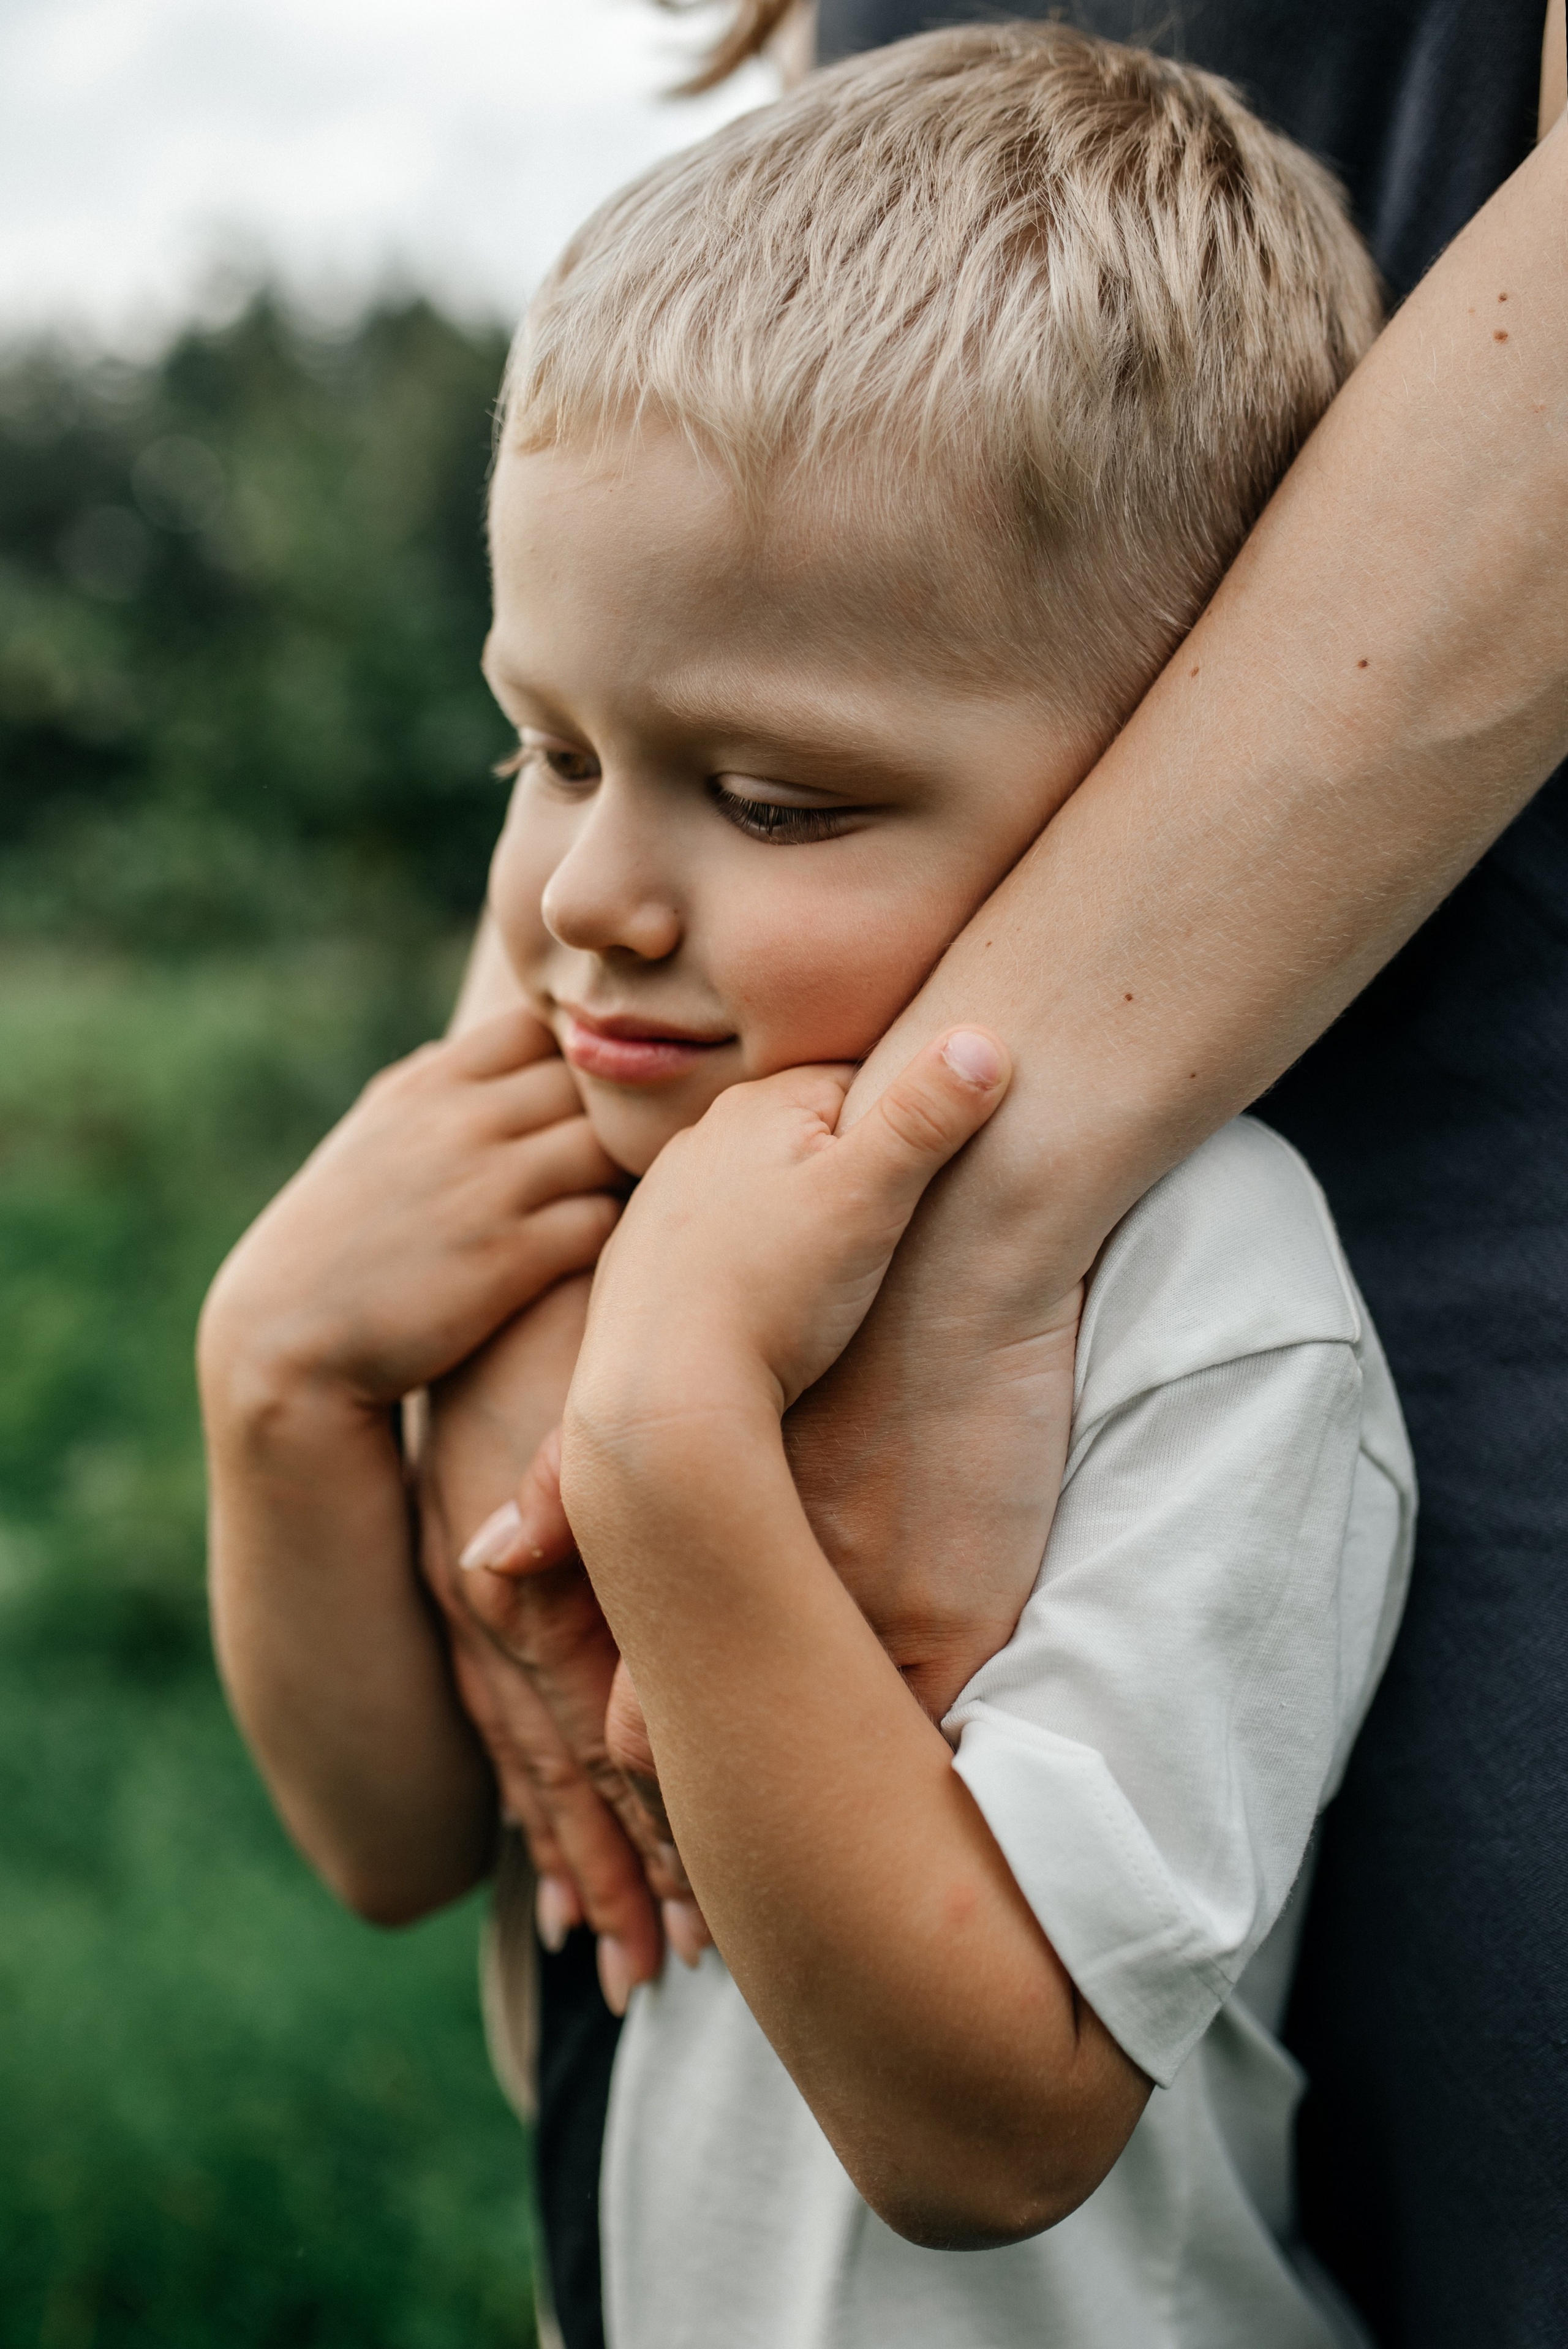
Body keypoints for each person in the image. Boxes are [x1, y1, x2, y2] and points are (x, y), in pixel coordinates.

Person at [201, 28, 1419, 2346]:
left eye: (772, 802)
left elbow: (984, 2137)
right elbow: (392, 1848)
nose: (588, 897)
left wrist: (671, 1453)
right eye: (545, 749)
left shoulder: (1193, 1299)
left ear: (1147, 785)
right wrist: (274, 1385)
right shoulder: (580, 1157)